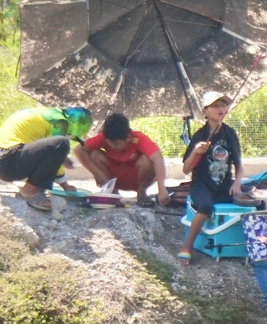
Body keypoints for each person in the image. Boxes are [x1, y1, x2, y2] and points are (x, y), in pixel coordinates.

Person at [177, 90, 243, 262]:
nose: (220, 109)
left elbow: (238, 164)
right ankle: (187, 246)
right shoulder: (199, 136)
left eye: (223, 105)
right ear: (205, 111)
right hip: (201, 185)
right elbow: (186, 169)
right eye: (215, 106)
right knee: (205, 206)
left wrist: (237, 183)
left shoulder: (230, 133)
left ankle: (252, 246)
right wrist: (196, 151)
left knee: (254, 204)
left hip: (224, 184)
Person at [0, 104, 89, 211]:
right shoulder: (59, 121)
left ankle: (33, 188)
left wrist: (61, 158)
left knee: (59, 146)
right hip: (9, 161)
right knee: (62, 143)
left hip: (1, 162)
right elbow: (58, 144)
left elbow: (45, 151)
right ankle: (30, 191)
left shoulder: (49, 114)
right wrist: (66, 186)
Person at [76, 112, 168, 203]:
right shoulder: (105, 137)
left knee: (148, 159)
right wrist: (97, 173)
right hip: (113, 178)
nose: (112, 146)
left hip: (136, 178)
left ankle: (142, 192)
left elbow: (158, 159)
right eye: (109, 143)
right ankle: (113, 193)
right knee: (94, 154)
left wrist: (162, 188)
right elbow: (78, 150)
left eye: (116, 144)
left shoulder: (139, 138)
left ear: (128, 137)